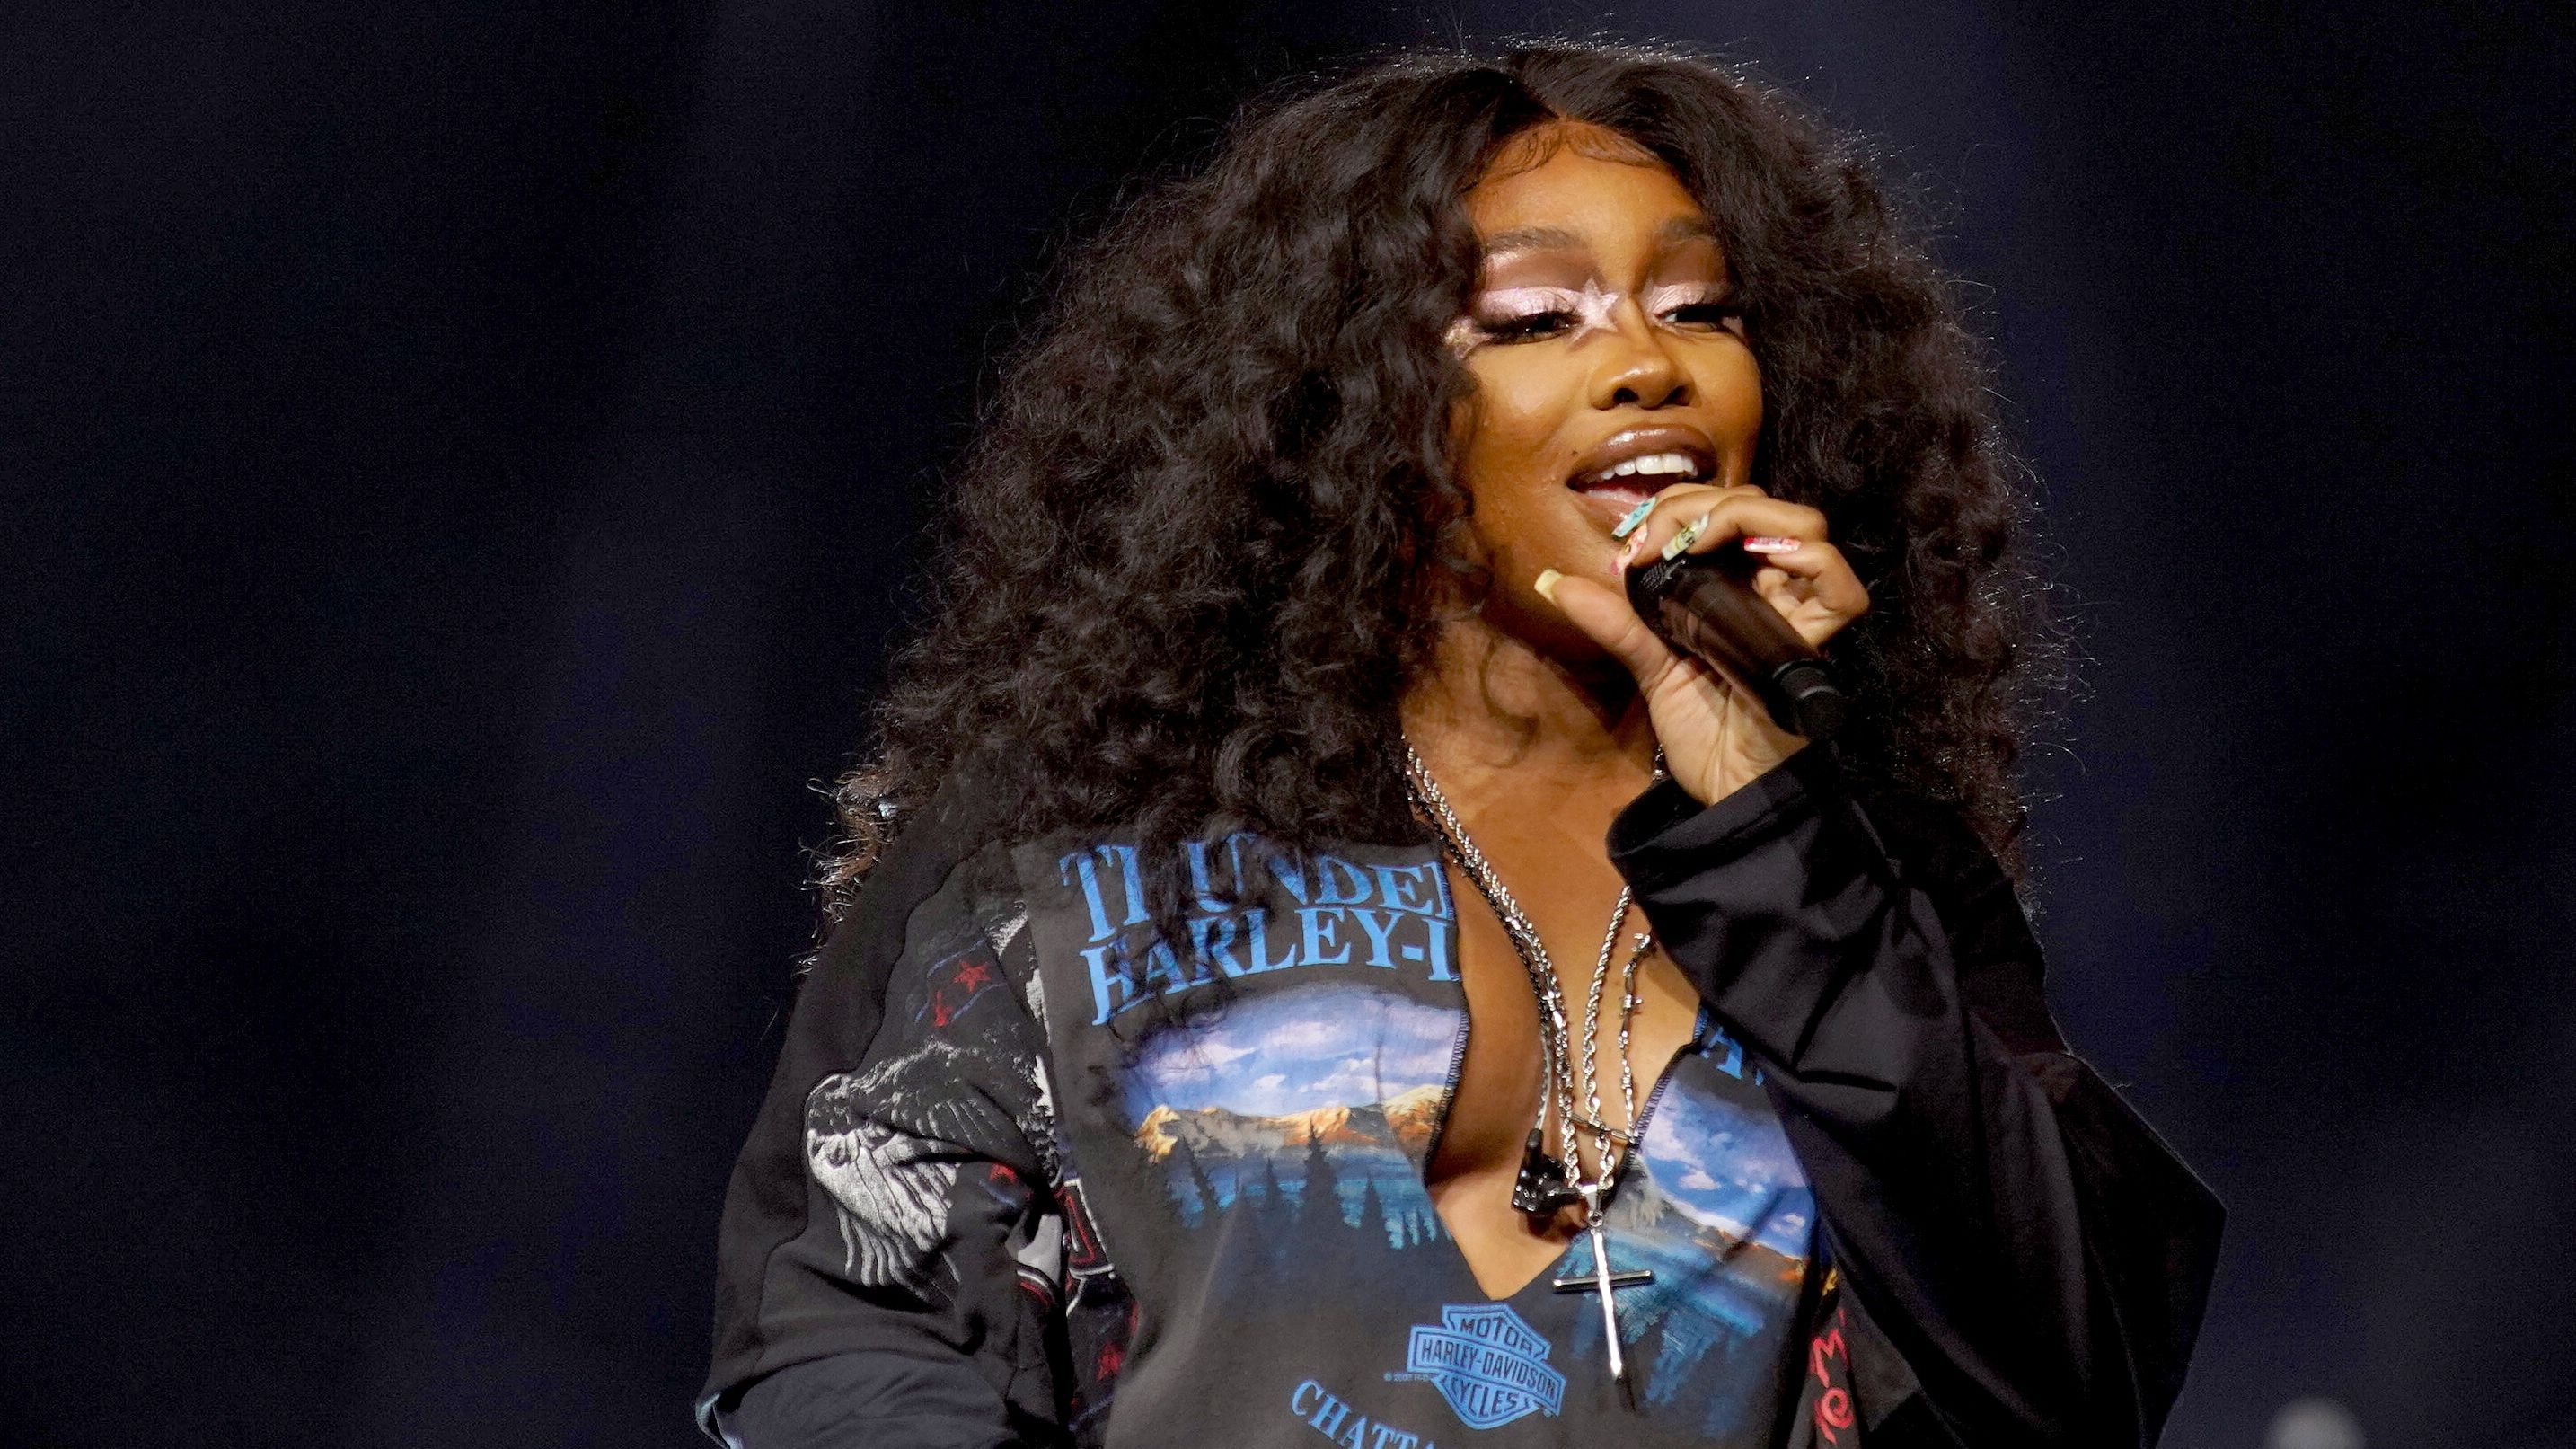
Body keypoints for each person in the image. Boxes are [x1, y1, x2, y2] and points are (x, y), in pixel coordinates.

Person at [697, 42, 2222, 1449]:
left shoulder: (1867, 885)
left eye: (1702, 307)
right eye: (1536, 317)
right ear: (1353, 403)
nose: (1647, 362)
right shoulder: (1085, 838)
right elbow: (850, 1338)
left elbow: (2070, 1381)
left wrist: (1771, 819)